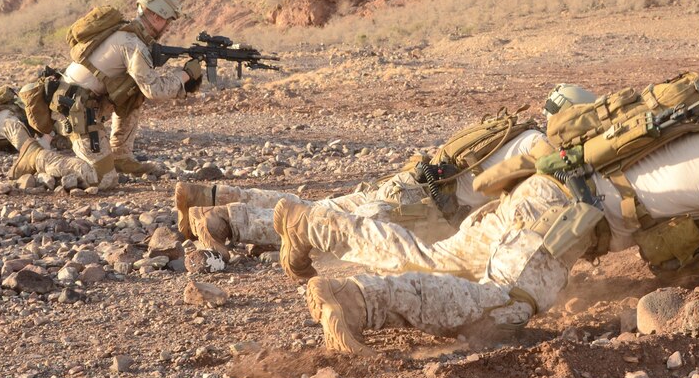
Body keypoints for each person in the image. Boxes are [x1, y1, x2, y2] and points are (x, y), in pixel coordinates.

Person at [273, 53, 699, 355]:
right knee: (501, 306)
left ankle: (317, 225)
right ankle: (355, 300)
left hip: (540, 191)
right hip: (560, 223)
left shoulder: (683, 122)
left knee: (438, 260)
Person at [174, 84, 598, 258]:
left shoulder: (519, 129)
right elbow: (545, 167)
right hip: (422, 204)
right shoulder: (535, 142)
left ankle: (211, 198)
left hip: (412, 184)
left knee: (324, 206)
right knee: (329, 226)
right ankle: (224, 224)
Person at [54, 0, 202, 180]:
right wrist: (186, 75)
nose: (168, 27)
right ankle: (40, 161)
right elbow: (155, 90)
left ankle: (120, 156)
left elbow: (141, 85)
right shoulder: (133, 44)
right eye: (168, 21)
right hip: (71, 112)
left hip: (77, 103)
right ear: (156, 16)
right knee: (103, 179)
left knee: (133, 91)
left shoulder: (125, 33)